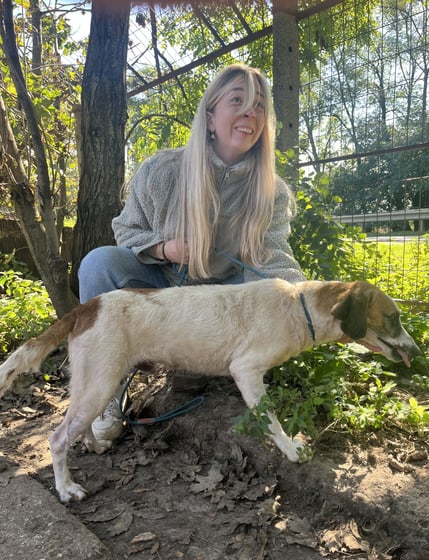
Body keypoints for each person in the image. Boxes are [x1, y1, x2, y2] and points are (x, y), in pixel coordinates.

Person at [78, 63, 306, 442]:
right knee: (98, 263)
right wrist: (165, 248)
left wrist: (309, 303)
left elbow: (273, 258)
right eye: (238, 101)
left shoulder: (272, 191)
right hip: (161, 289)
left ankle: (201, 361)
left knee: (263, 287)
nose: (251, 113)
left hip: (221, 303)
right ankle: (105, 392)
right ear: (211, 116)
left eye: (259, 106)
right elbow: (126, 231)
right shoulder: (161, 170)